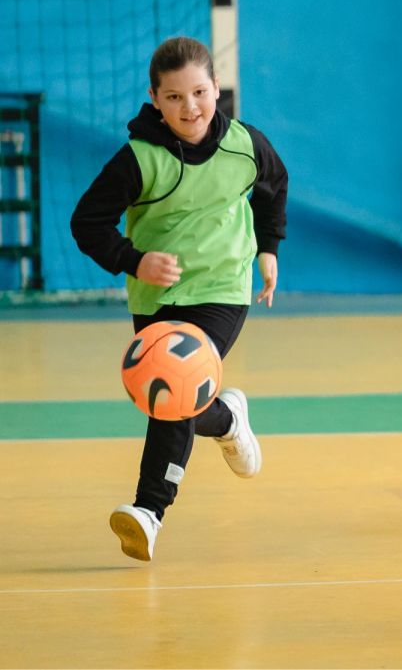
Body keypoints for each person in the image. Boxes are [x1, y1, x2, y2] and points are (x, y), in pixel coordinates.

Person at [70, 36, 288, 561]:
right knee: (170, 398)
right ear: (154, 98)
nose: (190, 107)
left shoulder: (245, 145)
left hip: (221, 288)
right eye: (174, 97)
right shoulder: (139, 160)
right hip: (156, 296)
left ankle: (149, 511)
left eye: (199, 93)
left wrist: (268, 248)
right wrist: (134, 259)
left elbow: (274, 185)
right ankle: (227, 418)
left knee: (173, 385)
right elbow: (87, 223)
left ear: (216, 88)